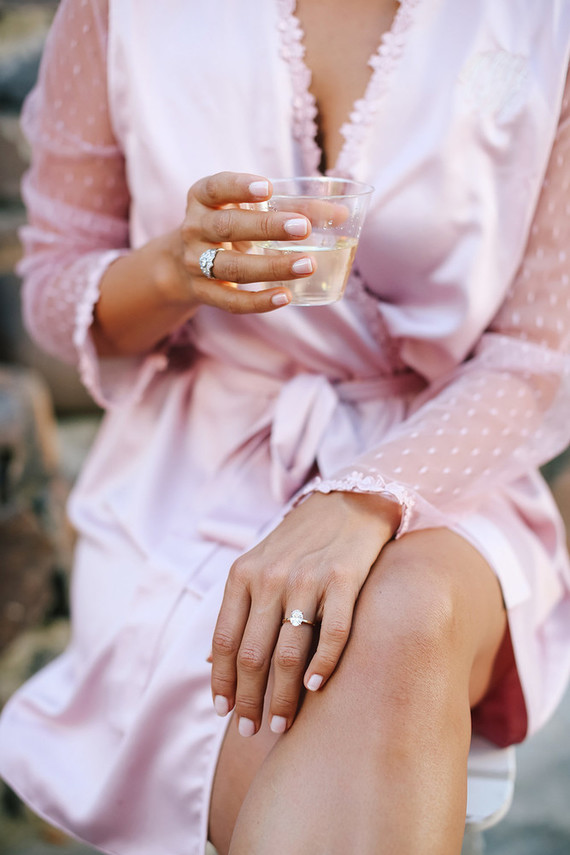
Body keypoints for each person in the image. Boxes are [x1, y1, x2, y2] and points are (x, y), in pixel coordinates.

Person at [1, 0, 570, 853]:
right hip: (187, 474)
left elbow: (535, 354)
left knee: (407, 608)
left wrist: (363, 497)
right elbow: (52, 284)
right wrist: (173, 269)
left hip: (448, 460)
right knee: (285, 720)